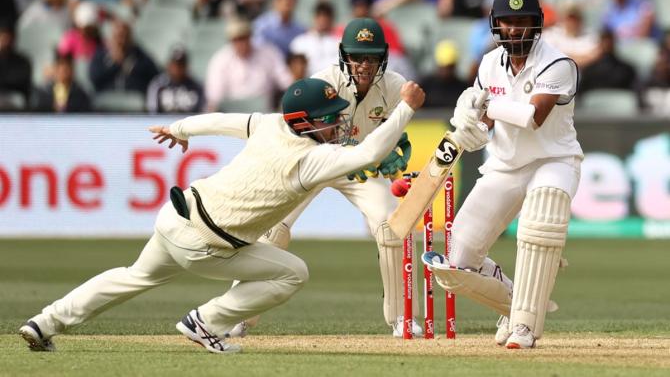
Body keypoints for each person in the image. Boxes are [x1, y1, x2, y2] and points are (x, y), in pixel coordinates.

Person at [19, 77, 426, 354]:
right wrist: (405, 109)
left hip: (174, 217)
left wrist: (180, 127)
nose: (339, 122)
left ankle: (43, 323)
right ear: (305, 122)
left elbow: (217, 121)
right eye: (330, 116)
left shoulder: (268, 124)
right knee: (293, 273)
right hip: (208, 246)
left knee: (131, 275)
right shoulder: (313, 159)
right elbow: (370, 154)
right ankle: (206, 321)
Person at [228, 17, 489, 338]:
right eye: (357, 57)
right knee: (273, 231)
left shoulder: (395, 86)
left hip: (358, 168)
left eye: (371, 57)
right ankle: (238, 313)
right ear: (343, 56)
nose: (364, 65)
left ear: (383, 58)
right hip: (314, 163)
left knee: (391, 227)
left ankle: (403, 317)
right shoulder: (324, 82)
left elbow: (407, 125)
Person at [424, 0, 583, 349]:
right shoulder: (488, 64)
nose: (515, 30)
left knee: (537, 226)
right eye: (508, 22)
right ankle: (518, 304)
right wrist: (469, 122)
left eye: (523, 21)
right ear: (496, 24)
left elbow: (532, 116)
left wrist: (483, 106)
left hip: (553, 160)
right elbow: (486, 127)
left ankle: (525, 327)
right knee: (456, 264)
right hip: (504, 165)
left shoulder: (559, 64)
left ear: (537, 24)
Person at [146, 45, 205, 113]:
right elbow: (152, 112)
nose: (177, 68)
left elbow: (201, 112)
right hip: (163, 122)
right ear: (169, 64)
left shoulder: (197, 87)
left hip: (189, 123)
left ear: (187, 66)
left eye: (181, 65)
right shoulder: (158, 85)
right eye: (175, 64)